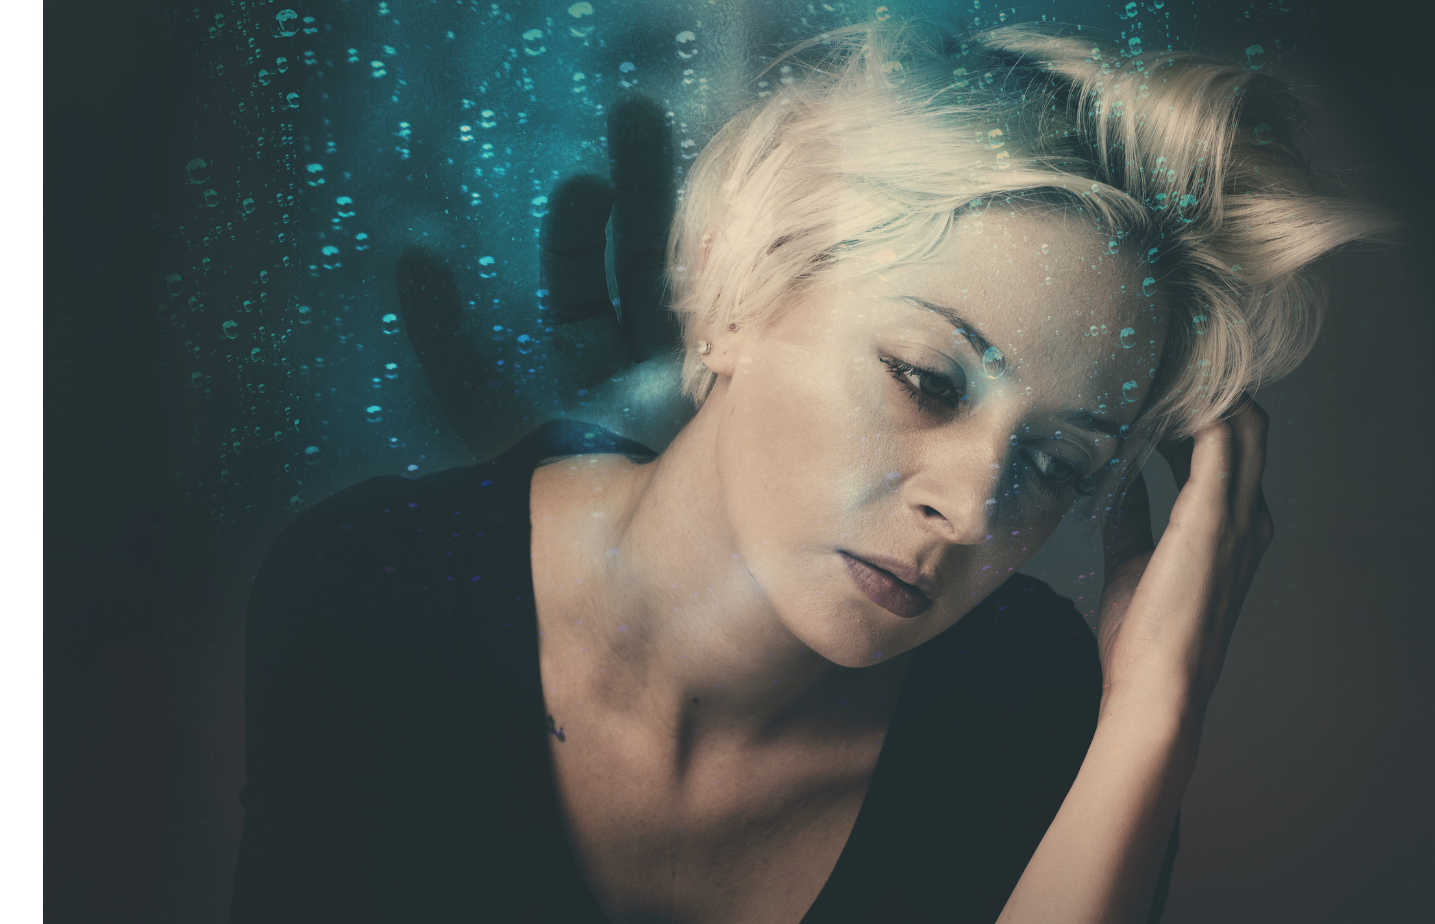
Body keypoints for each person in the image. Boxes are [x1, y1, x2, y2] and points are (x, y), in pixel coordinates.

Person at [228, 22, 1394, 923]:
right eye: (925, 378)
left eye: (1051, 463)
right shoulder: (380, 592)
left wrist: (1152, 717)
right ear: (742, 297)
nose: (970, 504)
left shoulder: (1030, 710)